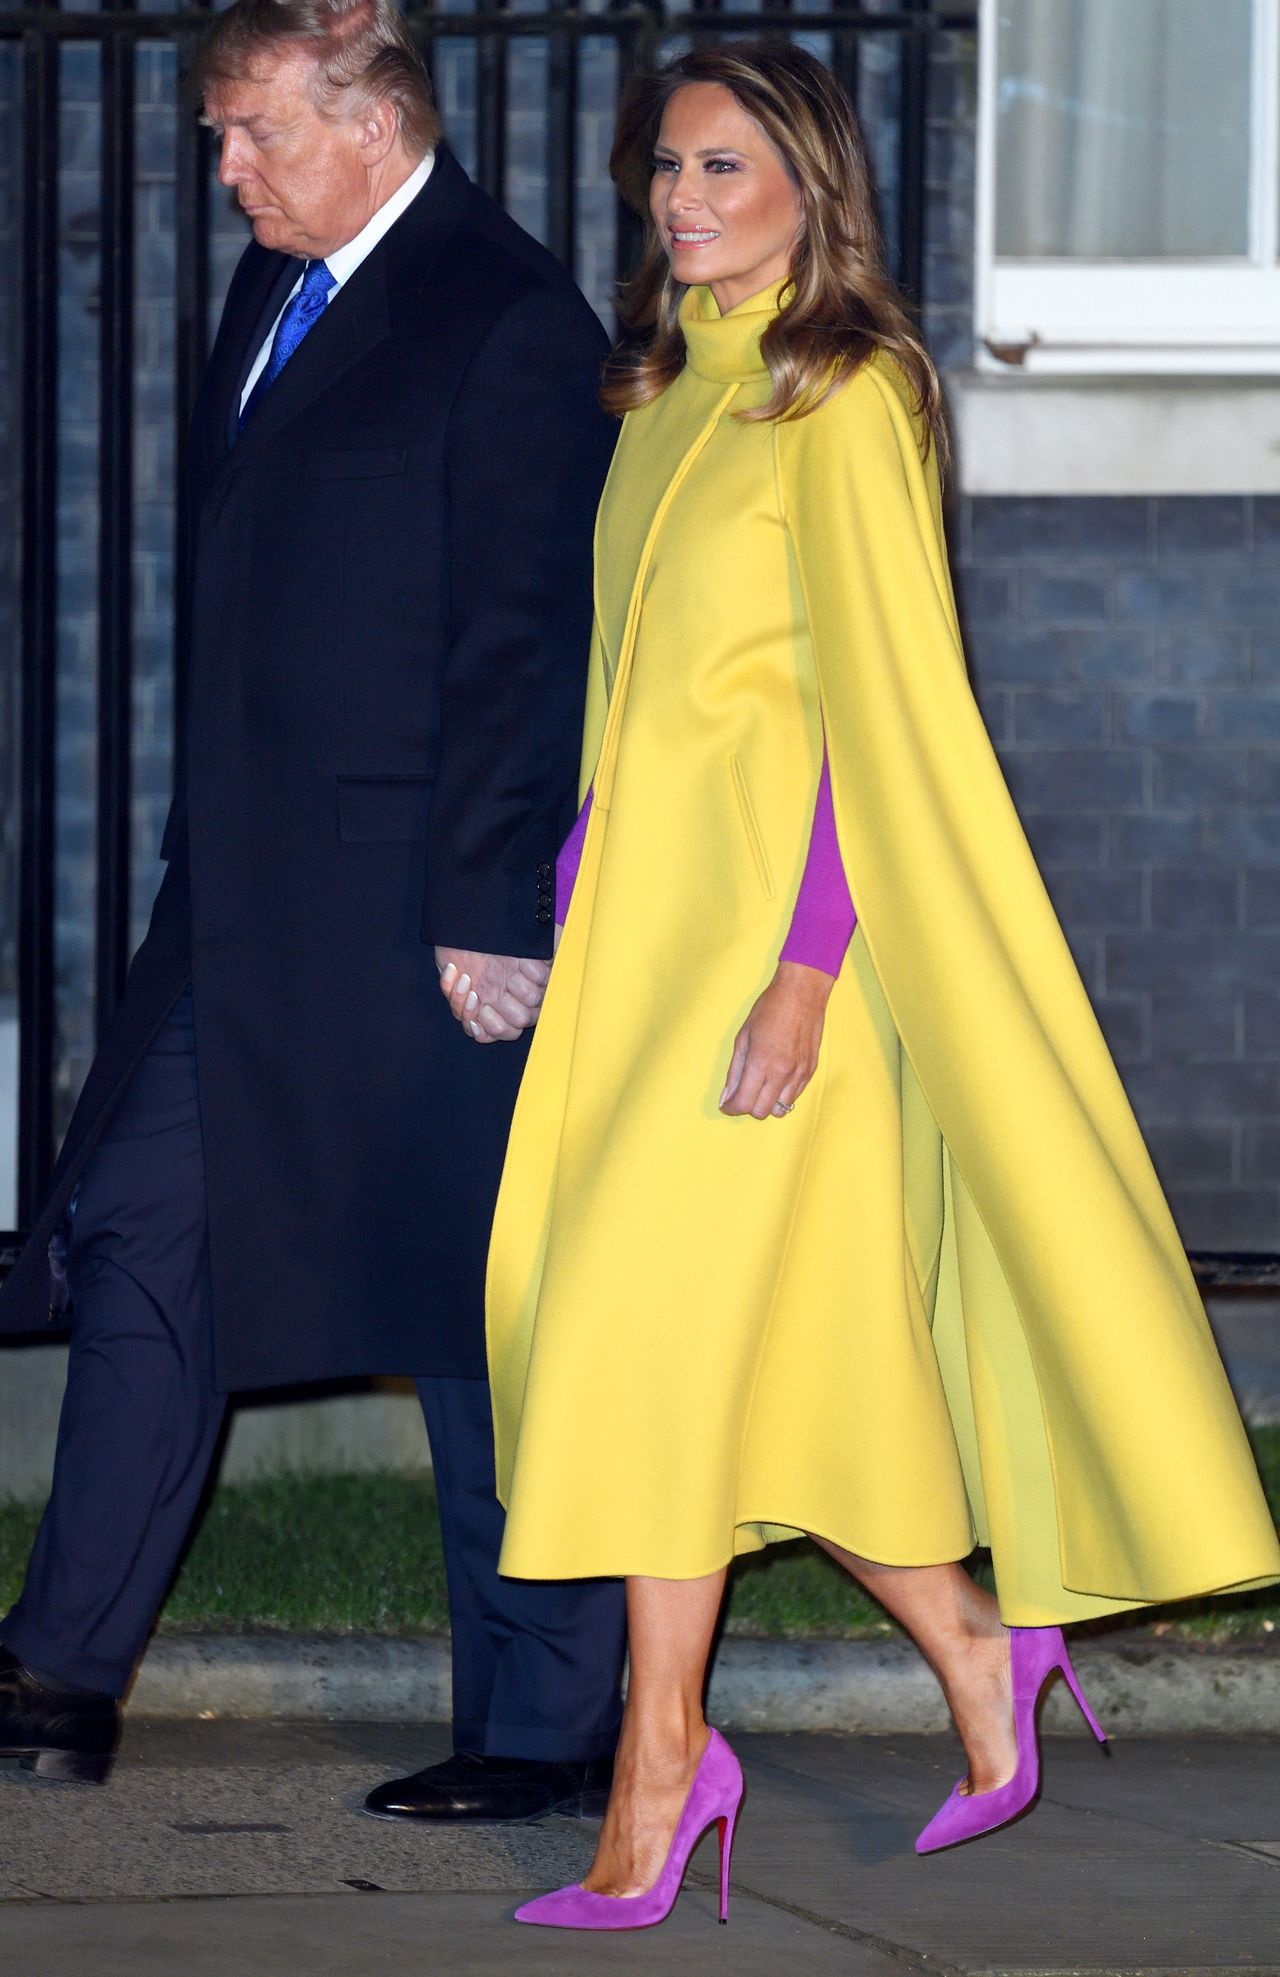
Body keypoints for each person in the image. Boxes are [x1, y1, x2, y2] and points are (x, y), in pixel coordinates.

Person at [481, 42, 1280, 1931]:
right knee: (750, 1366)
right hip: (644, 953)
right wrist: (585, 875)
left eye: (724, 168)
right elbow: (647, 684)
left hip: (771, 970)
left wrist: (808, 973)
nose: (681, 200)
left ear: (812, 182)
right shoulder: (671, 390)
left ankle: (661, 1762)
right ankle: (978, 1648)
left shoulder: (849, 390)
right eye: (664, 169)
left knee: (651, 1339)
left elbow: (883, 716)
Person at [0, 0, 627, 1817]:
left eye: (253, 133)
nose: (225, 172)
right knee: (134, 1221)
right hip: (243, 905)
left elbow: (527, 643)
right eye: (219, 138)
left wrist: (497, 903)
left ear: (371, 120)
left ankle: (544, 1727)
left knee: (468, 1311)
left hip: (427, 914)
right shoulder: (270, 297)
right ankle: (57, 1667)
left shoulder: (506, 318)